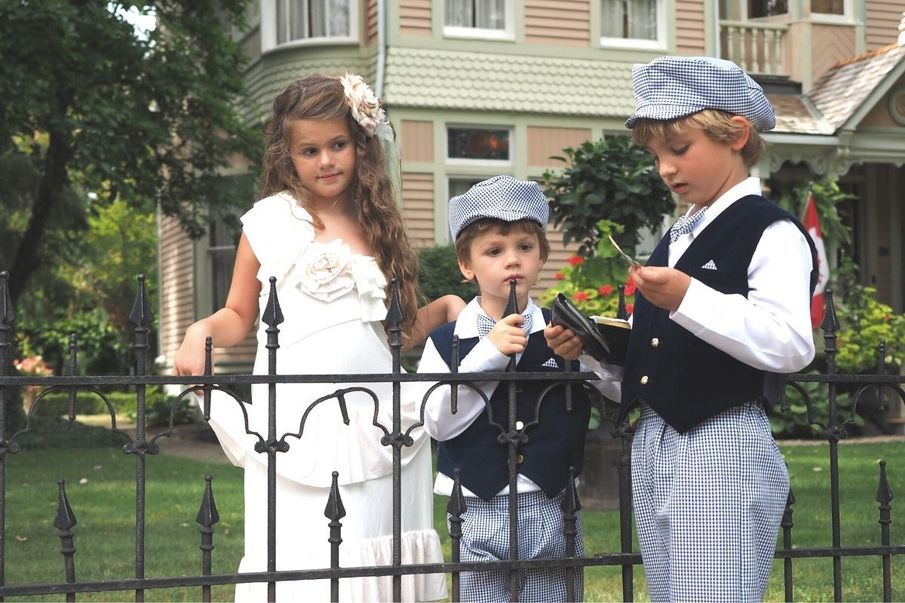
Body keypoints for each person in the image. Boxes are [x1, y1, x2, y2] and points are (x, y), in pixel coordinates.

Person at [173, 73, 458, 602]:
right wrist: (201, 329)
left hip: (376, 418)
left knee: (374, 541)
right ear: (288, 156)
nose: (326, 161)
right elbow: (238, 313)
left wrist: (443, 309)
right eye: (309, 150)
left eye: (338, 145)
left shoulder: (377, 224)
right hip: (297, 420)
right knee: (303, 550)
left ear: (360, 145)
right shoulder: (268, 222)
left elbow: (391, 336)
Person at [546, 56, 818, 601]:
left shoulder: (769, 230)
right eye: (656, 156)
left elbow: (791, 344)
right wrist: (592, 354)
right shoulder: (677, 238)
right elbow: (656, 366)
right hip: (656, 441)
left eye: (679, 148)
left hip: (721, 443)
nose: (666, 169)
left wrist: (688, 297)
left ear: (736, 135)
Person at [418, 176, 618, 602]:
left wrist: (589, 355)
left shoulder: (563, 334)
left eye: (524, 247)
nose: (512, 260)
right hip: (476, 506)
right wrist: (486, 356)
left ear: (541, 255)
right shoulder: (446, 342)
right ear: (466, 265)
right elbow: (436, 423)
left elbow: (621, 393)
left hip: (553, 502)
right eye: (494, 251)